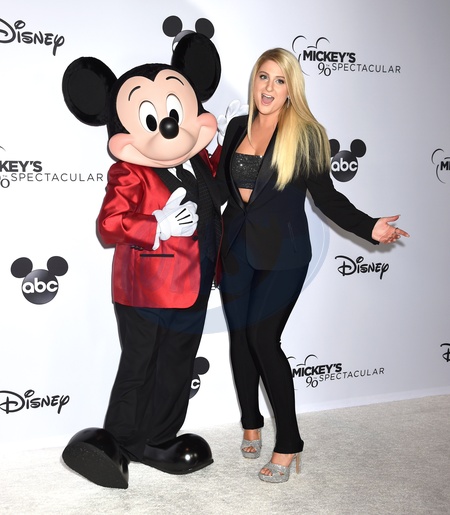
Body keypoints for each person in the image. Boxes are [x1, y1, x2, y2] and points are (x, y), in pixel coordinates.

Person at [217, 48, 409, 484]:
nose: (268, 87)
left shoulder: (306, 134)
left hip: (283, 256)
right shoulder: (237, 126)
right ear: (254, 80)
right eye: (263, 77)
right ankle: (251, 422)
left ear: (291, 88)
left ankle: (289, 443)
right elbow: (221, 189)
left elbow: (326, 198)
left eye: (279, 80)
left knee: (262, 339)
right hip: (236, 250)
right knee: (240, 339)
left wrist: (369, 227)